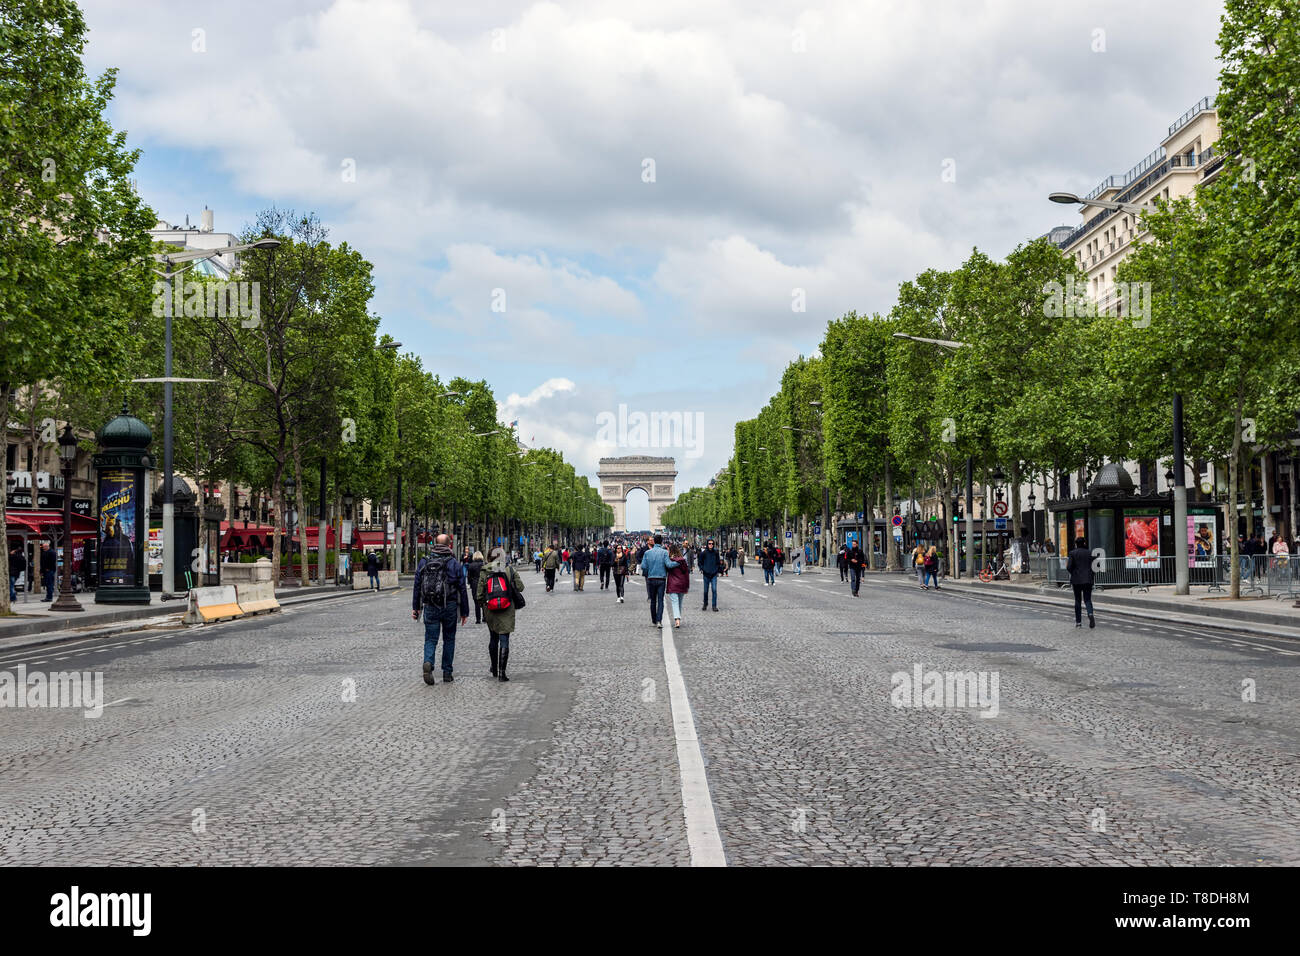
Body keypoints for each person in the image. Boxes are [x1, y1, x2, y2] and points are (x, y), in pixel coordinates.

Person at [412, 534, 470, 684]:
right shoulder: (454, 563)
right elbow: (462, 588)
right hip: (449, 605)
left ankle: (428, 662)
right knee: (449, 639)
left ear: (434, 544)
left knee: (430, 639)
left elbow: (417, 585)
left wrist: (416, 608)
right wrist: (464, 611)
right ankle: (447, 672)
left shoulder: (424, 561)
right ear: (449, 546)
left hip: (430, 605)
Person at [477, 546, 524, 681]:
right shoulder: (509, 569)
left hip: (490, 608)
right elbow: (520, 587)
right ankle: (502, 673)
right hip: (507, 607)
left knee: (493, 638)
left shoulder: (485, 571)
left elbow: (479, 594)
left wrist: (484, 606)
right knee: (504, 639)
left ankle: (494, 668)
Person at [638, 533, 679, 628]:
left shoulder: (647, 553)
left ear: (654, 542)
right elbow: (669, 565)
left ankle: (653, 619)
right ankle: (659, 620)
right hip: (661, 579)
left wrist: (650, 569)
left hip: (651, 579)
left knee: (653, 601)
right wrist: (678, 563)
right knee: (660, 600)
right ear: (661, 542)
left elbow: (643, 566)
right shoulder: (664, 552)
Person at [1065, 535, 1095, 628]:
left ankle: (1078, 622)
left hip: (1076, 580)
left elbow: (1069, 567)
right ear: (1084, 543)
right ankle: (1090, 613)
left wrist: (1073, 573)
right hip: (1088, 579)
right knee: (1087, 599)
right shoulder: (1089, 553)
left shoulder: (1072, 553)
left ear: (1076, 544)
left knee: (1077, 600)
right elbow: (1093, 566)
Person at [665, 543, 691, 628]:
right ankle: (678, 619)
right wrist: (687, 585)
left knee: (675, 602)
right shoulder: (683, 561)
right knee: (679, 603)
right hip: (682, 583)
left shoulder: (670, 561)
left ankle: (677, 620)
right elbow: (686, 574)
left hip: (673, 584)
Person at [698, 537, 721, 612]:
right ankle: (705, 604)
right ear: (707, 544)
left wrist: (717, 570)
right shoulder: (703, 553)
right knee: (705, 591)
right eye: (709, 543)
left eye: (712, 544)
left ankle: (714, 606)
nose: (711, 545)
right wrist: (702, 569)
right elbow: (700, 562)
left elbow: (718, 562)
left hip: (714, 574)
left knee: (714, 590)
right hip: (706, 574)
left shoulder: (716, 552)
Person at [465, 550, 486, 624]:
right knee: (484, 601)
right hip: (483, 583)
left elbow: (469, 576)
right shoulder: (484, 565)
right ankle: (484, 617)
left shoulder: (471, 565)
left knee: (476, 602)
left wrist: (470, 584)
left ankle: (478, 619)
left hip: (475, 583)